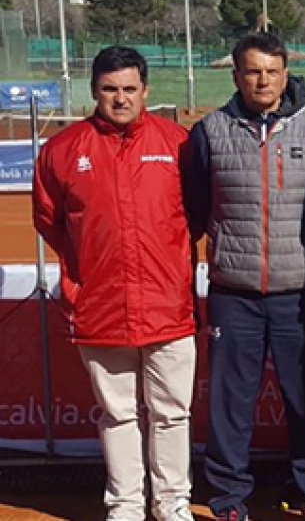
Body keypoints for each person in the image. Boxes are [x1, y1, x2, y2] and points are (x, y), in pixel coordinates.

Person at [32, 46, 197, 521]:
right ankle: (124, 506)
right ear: (94, 93)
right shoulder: (62, 152)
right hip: (100, 306)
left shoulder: (177, 144)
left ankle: (172, 505)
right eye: (109, 89)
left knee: (171, 414)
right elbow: (50, 221)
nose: (120, 99)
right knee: (118, 415)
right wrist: (89, 270)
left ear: (146, 91)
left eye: (129, 89)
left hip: (168, 306)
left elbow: (197, 214)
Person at [183, 32, 305, 521]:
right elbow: (194, 210)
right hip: (235, 292)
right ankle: (228, 496)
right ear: (236, 76)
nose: (262, 80)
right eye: (252, 71)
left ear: (285, 75)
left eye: (271, 71)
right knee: (231, 404)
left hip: (301, 292)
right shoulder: (209, 132)